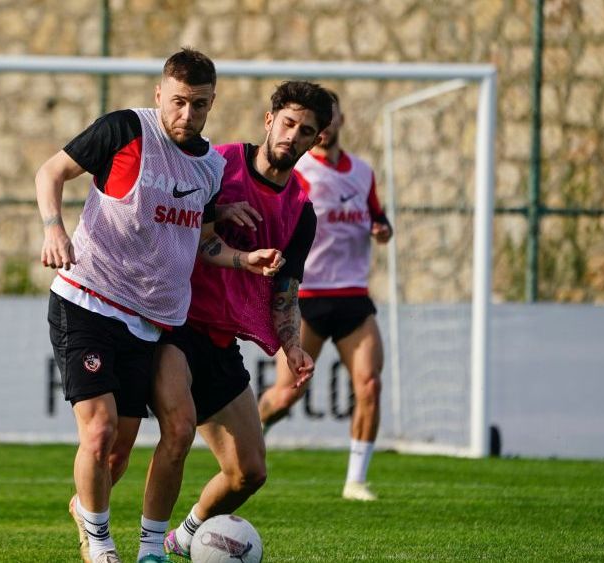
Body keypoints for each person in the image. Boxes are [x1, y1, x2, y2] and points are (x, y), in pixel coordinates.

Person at [35, 48, 285, 563]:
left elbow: (200, 242)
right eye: (178, 102)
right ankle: (99, 542)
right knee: (100, 431)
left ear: (212, 103)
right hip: (87, 298)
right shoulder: (124, 130)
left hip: (148, 323)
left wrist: (241, 260)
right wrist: (53, 228)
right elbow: (50, 172)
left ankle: (124, 530)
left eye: (198, 105)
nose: (187, 115)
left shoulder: (211, 168)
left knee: (119, 451)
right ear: (158, 95)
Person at [136, 81, 334, 562]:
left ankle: (184, 536)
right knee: (178, 431)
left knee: (250, 471)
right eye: (287, 123)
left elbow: (286, 293)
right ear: (269, 121)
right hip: (175, 325)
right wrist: (240, 254)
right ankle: (148, 552)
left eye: (306, 130)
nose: (293, 135)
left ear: (315, 141)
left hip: (221, 343)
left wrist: (292, 346)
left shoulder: (301, 213)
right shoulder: (216, 165)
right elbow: (181, 234)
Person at [257, 90, 393, 502]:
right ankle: (252, 429)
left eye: (329, 118)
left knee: (369, 385)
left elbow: (376, 215)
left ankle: (356, 481)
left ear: (339, 121)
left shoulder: (363, 172)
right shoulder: (298, 174)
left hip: (352, 296)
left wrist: (381, 228)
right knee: (286, 395)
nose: (325, 126)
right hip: (307, 296)